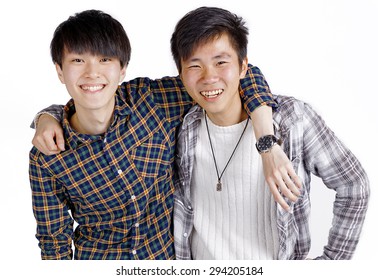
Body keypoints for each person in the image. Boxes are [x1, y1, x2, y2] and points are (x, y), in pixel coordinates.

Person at [29, 9, 299, 260]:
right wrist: (47, 116)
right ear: (59, 71)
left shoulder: (152, 102)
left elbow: (238, 75)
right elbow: (54, 242)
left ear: (122, 69)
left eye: (104, 60)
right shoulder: (47, 154)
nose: (92, 73)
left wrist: (267, 144)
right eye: (77, 60)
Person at [170, 7, 370, 259]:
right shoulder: (182, 125)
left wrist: (332, 263)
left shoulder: (292, 120)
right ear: (181, 73)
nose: (209, 77)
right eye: (195, 66)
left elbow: (354, 184)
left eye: (221, 62)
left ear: (244, 67)